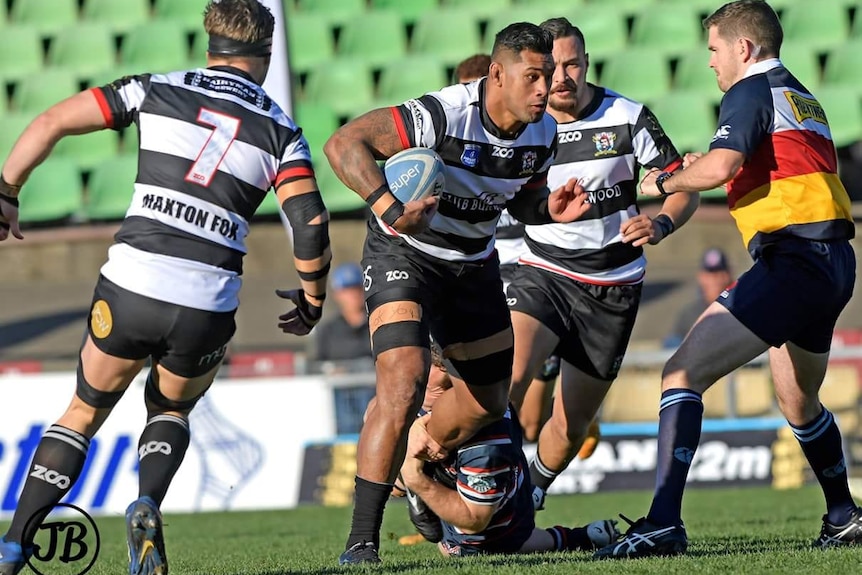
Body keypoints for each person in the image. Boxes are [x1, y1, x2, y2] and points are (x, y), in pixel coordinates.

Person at [0, 1, 331, 574]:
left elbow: (51, 120)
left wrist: (6, 190)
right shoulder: (281, 130)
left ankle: (13, 543)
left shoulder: (154, 89)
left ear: (209, 42)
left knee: (82, 410)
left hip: (133, 281)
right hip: (205, 298)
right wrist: (313, 296)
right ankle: (147, 502)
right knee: (171, 411)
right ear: (268, 53)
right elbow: (310, 224)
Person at [596, 0, 858, 559]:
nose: (711, 62)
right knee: (799, 402)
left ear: (744, 49)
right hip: (833, 262)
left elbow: (720, 170)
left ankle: (663, 523)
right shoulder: (798, 93)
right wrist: (709, 160)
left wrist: (667, 177)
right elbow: (773, 164)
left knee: (680, 373)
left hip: (793, 261)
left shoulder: (748, 90)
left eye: (715, 49)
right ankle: (843, 515)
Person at [324, 22, 592, 564]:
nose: (547, 88)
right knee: (403, 381)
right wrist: (391, 208)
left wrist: (548, 210)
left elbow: (522, 198)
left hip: (472, 268)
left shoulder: (543, 135)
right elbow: (342, 143)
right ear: (497, 73)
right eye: (534, 76)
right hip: (404, 255)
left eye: (552, 76)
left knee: (489, 402)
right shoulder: (442, 115)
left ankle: (419, 459)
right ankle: (361, 543)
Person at [506, 17, 700, 511]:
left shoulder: (628, 117)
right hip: (542, 270)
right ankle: (478, 495)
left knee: (571, 424)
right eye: (552, 68)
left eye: (573, 64)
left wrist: (661, 225)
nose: (562, 77)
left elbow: (683, 186)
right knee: (505, 382)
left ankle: (529, 497)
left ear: (587, 62)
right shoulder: (525, 124)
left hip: (613, 285)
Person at [398, 389, 620, 557]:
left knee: (468, 545)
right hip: (479, 474)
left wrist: (416, 480)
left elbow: (473, 522)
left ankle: (537, 496)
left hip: (479, 504)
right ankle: (544, 503)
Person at [663, 247, 734, 349]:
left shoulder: (741, 310)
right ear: (701, 277)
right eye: (710, 274)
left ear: (728, 276)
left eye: (720, 273)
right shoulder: (690, 314)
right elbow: (672, 347)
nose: (715, 280)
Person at [309, 262, 372, 369]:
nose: (353, 295)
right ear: (337, 295)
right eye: (347, 290)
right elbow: (318, 367)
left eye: (357, 288)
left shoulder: (379, 324)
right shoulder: (327, 330)